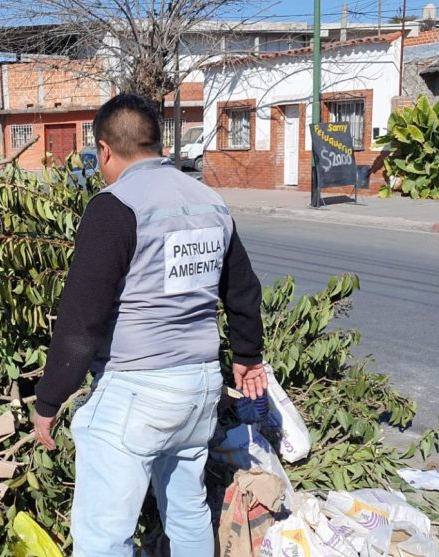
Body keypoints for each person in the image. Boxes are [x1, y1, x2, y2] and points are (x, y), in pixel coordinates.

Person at [32, 93, 267, 556]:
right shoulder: (209, 200)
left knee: (103, 534)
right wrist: (246, 356)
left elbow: (83, 319)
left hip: (136, 391)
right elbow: (242, 288)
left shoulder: (115, 205)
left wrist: (49, 398)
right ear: (157, 144)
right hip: (198, 388)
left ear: (104, 150)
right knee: (187, 509)